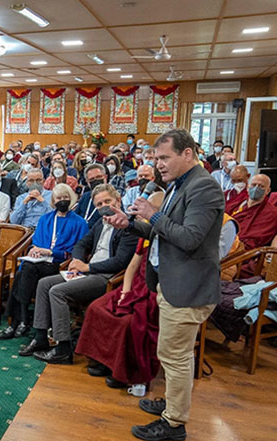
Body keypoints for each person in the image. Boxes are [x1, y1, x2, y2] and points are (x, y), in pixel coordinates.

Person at [103, 129, 223, 441]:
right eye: (156, 159)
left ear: (188, 153)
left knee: (176, 356)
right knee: (171, 351)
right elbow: (162, 233)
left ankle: (174, 424)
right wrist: (129, 224)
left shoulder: (205, 187)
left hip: (188, 286)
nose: (159, 165)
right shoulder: (176, 185)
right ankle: (171, 403)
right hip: (169, 282)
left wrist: (153, 215)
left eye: (165, 158)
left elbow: (189, 238)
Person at [21, 184, 137, 364]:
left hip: (106, 277)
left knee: (57, 291)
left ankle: (63, 348)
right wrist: (76, 262)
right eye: (99, 204)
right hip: (87, 270)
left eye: (108, 201)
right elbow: (81, 244)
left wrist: (87, 268)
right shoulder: (101, 222)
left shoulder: (128, 226)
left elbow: (120, 262)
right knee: (44, 283)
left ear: (118, 200)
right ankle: (41, 337)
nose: (104, 206)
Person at [76, 191, 166, 389]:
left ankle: (122, 372)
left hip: (152, 292)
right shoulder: (146, 236)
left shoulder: (161, 235)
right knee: (96, 308)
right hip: (133, 288)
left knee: (129, 323)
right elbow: (132, 267)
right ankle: (102, 361)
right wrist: (124, 293)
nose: (141, 215)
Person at [0, 184, 88, 339]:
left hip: (58, 264)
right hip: (38, 262)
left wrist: (51, 252)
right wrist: (34, 250)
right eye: (59, 198)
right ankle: (22, 321)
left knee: (25, 272)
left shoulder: (80, 223)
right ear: (53, 200)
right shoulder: (46, 218)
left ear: (71, 199)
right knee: (25, 271)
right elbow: (36, 242)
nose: (62, 201)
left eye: (66, 198)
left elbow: (77, 251)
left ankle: (19, 321)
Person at [230, 174, 277, 250]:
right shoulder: (236, 203)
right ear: (248, 187)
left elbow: (256, 240)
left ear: (268, 191)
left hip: (242, 251)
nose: (256, 188)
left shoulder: (271, 213)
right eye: (253, 185)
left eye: (261, 186)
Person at [75, 164, 108, 228]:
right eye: (92, 179)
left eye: (99, 177)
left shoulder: (112, 196)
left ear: (105, 177)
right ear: (87, 182)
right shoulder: (85, 197)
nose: (96, 180)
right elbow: (75, 216)